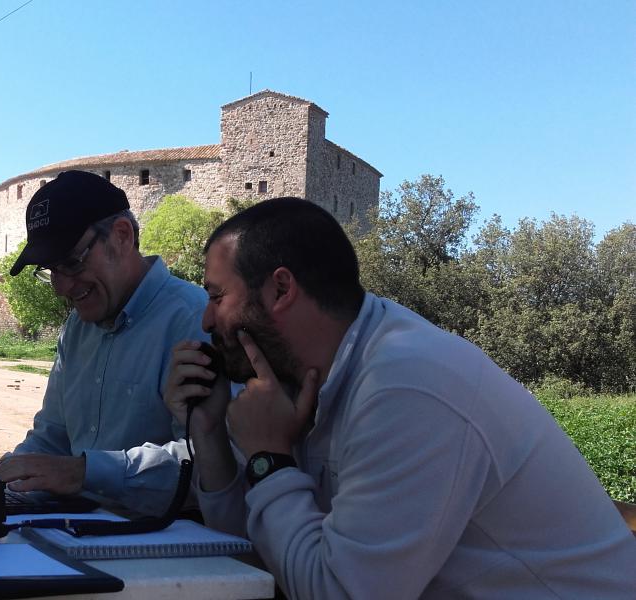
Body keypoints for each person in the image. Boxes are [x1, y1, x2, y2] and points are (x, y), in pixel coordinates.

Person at [163, 197, 636, 598]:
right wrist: (209, 431)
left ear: (281, 289)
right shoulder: (304, 385)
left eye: (216, 297)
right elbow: (253, 555)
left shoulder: (406, 384)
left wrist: (270, 460)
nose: (205, 321)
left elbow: (339, 593)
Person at [0, 170, 208, 516]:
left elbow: (210, 464)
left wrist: (84, 473)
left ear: (122, 236)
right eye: (50, 270)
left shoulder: (196, 321)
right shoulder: (76, 328)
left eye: (71, 263)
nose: (60, 287)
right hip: (75, 532)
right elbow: (52, 439)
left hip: (160, 541)